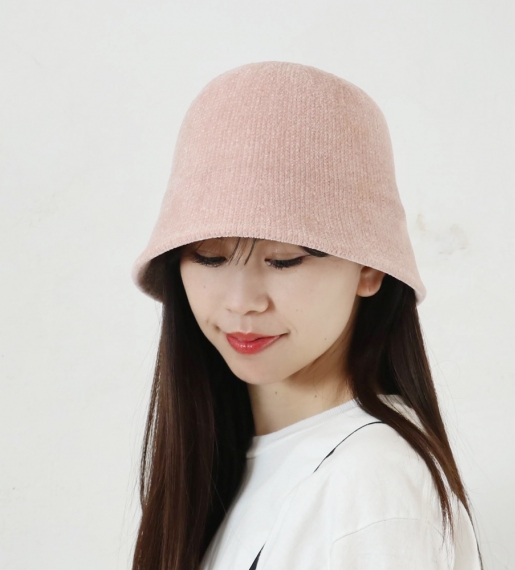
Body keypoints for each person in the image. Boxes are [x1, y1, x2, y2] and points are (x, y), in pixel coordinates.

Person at [129, 61, 483, 570]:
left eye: (284, 260)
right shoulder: (232, 468)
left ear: (369, 269)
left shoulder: (370, 485)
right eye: (209, 257)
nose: (241, 301)